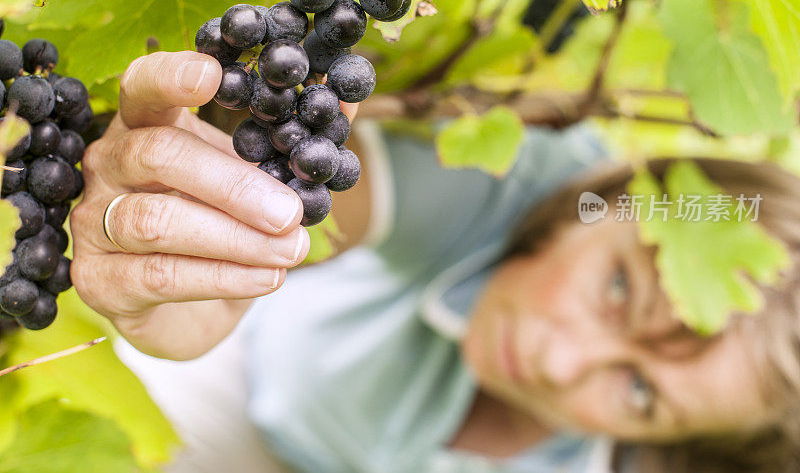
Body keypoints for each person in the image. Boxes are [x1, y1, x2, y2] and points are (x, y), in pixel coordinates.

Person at [71, 51, 800, 472]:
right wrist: (229, 229)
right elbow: (322, 200)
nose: (558, 361)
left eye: (640, 395)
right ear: (614, 199)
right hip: (238, 391)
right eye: (618, 288)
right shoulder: (511, 175)